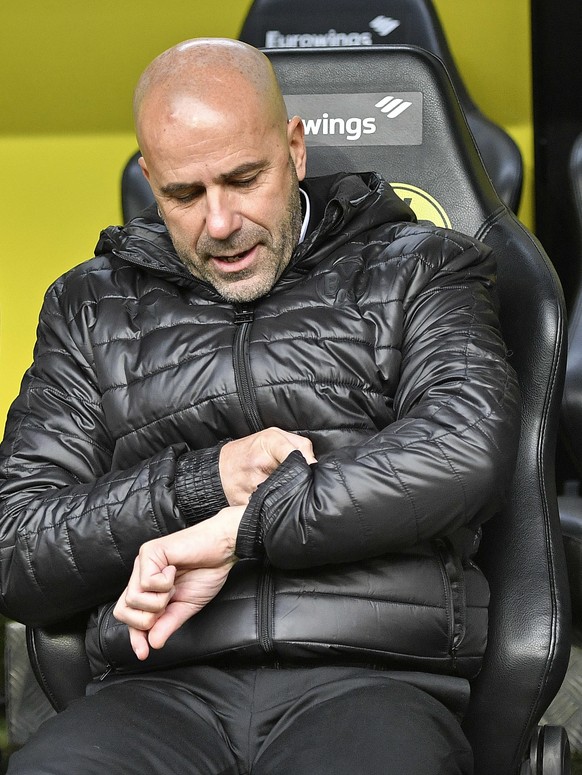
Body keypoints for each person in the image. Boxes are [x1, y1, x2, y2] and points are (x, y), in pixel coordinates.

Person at [0, 38, 520, 774]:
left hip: (369, 681)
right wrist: (199, 481)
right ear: (151, 181)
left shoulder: (419, 266)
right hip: (155, 690)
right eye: (185, 194)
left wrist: (241, 530)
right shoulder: (91, 307)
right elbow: (15, 543)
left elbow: (464, 446)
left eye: (245, 179)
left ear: (296, 150)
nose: (220, 222)